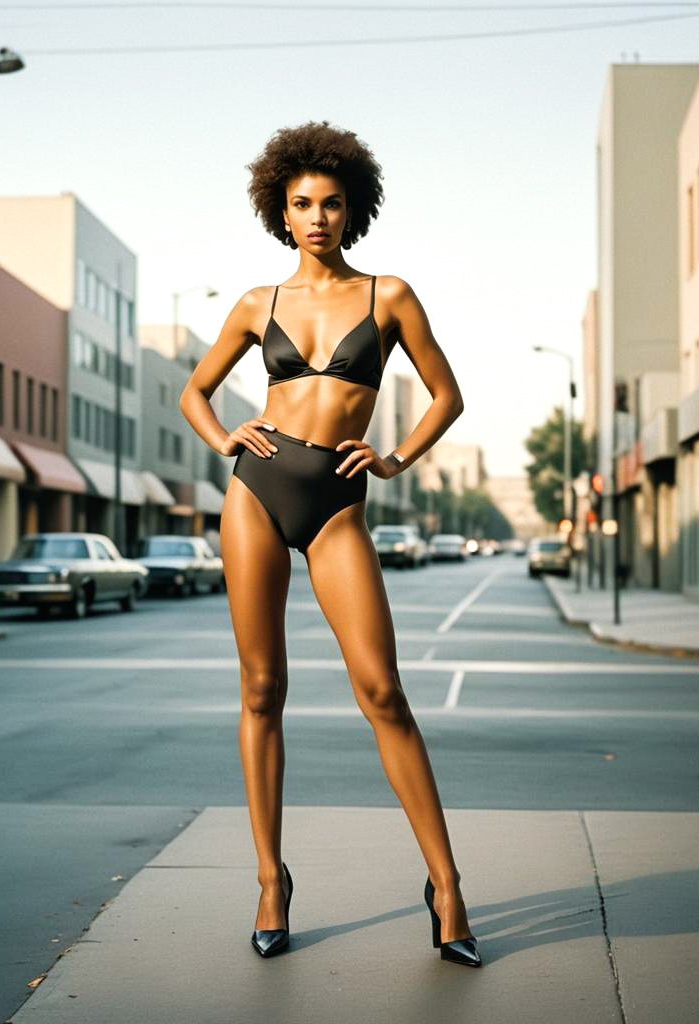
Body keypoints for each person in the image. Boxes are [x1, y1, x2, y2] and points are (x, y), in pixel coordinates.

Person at [179, 121, 480, 969]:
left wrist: (394, 458)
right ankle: (271, 881)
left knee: (383, 690)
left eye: (332, 203)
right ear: (280, 211)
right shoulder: (256, 304)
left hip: (340, 504)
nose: (318, 217)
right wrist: (225, 439)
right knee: (262, 687)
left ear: (354, 209)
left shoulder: (389, 296)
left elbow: (446, 395)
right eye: (302, 204)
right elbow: (194, 394)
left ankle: (448, 886)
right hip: (257, 495)